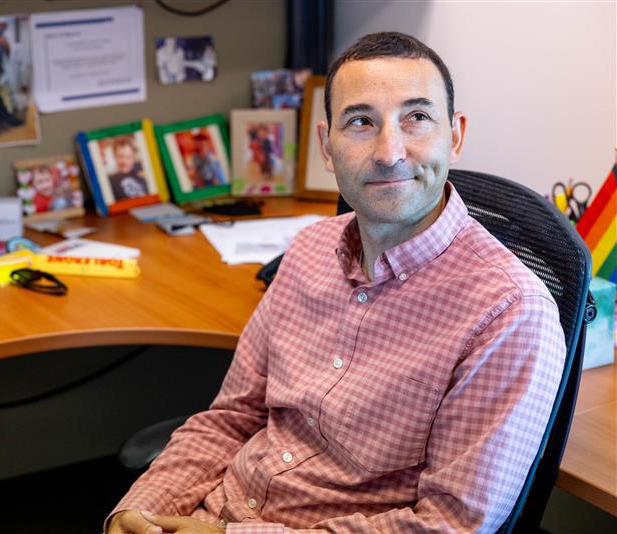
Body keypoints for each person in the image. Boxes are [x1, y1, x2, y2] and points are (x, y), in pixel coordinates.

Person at [106, 32, 565, 533]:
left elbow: (449, 525)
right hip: (208, 512)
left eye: (416, 117)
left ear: (454, 136)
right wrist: (138, 511)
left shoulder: (509, 312)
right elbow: (232, 418)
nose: (390, 152)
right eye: (361, 122)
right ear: (327, 146)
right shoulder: (309, 250)